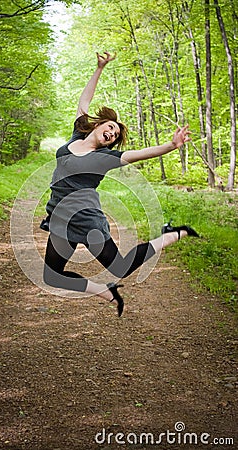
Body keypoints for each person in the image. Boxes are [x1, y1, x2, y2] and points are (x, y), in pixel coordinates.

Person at [41, 52, 198, 317]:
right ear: (99, 124)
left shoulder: (105, 158)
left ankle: (172, 234)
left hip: (86, 219)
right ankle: (106, 291)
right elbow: (84, 100)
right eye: (111, 127)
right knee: (52, 276)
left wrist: (172, 145)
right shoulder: (76, 135)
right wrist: (99, 68)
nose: (112, 134)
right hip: (60, 217)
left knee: (121, 267)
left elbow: (142, 153)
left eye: (114, 136)